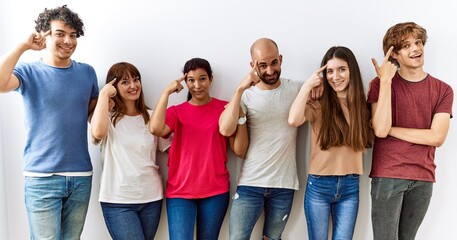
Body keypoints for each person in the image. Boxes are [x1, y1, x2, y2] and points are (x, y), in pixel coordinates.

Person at [0, 5, 99, 239]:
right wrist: (23, 46)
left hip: (80, 177)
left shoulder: (87, 73)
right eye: (60, 34)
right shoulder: (28, 71)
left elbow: (93, 116)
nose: (68, 41)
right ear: (44, 35)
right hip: (41, 178)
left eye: (73, 35)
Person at [367, 22, 454, 240]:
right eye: (406, 45)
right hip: (388, 174)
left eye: (418, 42)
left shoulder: (443, 90)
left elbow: (437, 137)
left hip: (423, 176)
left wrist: (391, 130)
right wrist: (386, 80)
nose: (416, 49)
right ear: (393, 53)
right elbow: (379, 129)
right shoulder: (380, 84)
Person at [149, 57, 248, 240]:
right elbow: (155, 128)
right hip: (180, 192)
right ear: (185, 82)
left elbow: (239, 150)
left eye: (202, 78)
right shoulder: (177, 112)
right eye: (191, 80)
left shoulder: (224, 108)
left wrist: (240, 117)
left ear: (211, 79)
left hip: (215, 192)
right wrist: (166, 93)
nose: (197, 85)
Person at [219, 38, 302, 240]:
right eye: (262, 65)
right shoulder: (246, 95)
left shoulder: (296, 89)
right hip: (251, 183)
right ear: (253, 66)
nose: (270, 71)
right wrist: (240, 90)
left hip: (284, 185)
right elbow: (224, 128)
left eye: (274, 63)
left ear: (281, 59)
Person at [288, 46, 373, 240]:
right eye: (330, 71)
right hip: (319, 185)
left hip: (350, 186)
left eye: (342, 69)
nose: (336, 76)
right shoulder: (317, 103)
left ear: (351, 70)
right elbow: (293, 120)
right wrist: (307, 86)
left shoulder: (361, 105)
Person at [90, 62, 171, 239]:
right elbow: (97, 133)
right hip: (118, 201)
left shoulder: (151, 117)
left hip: (151, 198)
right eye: (125, 82)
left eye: (136, 79)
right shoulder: (107, 117)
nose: (133, 86)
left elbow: (171, 150)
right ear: (114, 87)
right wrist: (104, 95)